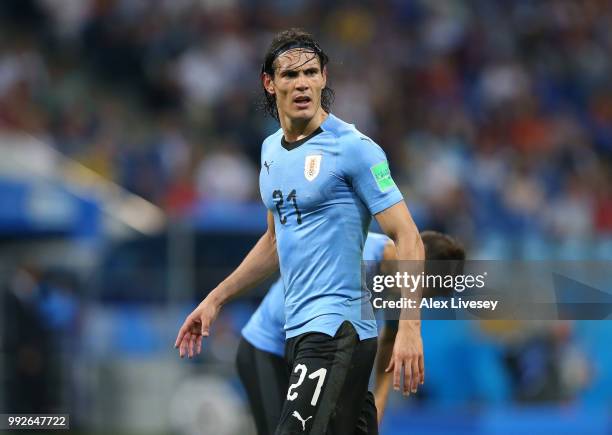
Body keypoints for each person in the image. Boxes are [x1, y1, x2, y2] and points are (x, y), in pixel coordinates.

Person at [175, 28, 425, 435]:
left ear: (324, 77)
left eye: (310, 72)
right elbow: (274, 242)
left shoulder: (354, 148)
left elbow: (408, 236)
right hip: (299, 331)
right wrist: (215, 299)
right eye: (290, 75)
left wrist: (410, 329)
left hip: (337, 330)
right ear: (269, 84)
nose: (302, 83)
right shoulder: (270, 151)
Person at [237, 231, 466, 434]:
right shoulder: (360, 254)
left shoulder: (402, 290)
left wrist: (381, 400)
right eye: (424, 290)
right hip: (268, 347)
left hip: (315, 354)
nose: (417, 300)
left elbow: (389, 341)